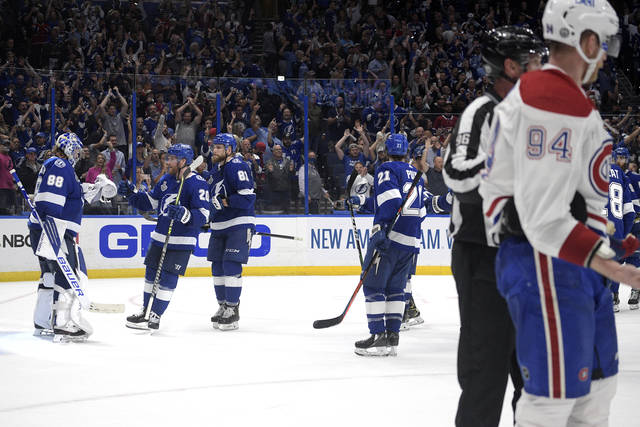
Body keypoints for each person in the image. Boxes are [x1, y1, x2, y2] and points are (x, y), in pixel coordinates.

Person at [479, 1, 640, 424]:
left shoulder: (563, 100)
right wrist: (612, 265)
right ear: (586, 42)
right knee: (552, 404)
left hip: (570, 262)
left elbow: (569, 199)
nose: (605, 55)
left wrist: (606, 240)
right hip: (545, 264)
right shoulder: (551, 102)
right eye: (602, 44)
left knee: (598, 390)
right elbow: (542, 217)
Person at [442, 25, 544, 427]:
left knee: (533, 372)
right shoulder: (481, 112)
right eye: (534, 61)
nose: (542, 67)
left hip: (527, 256)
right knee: (486, 369)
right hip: (484, 258)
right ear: (511, 66)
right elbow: (456, 173)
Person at [120, 144, 210, 331]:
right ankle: (145, 311)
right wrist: (132, 194)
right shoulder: (167, 179)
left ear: (183, 161)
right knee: (150, 275)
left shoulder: (197, 183)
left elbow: (204, 215)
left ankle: (156, 315)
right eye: (167, 158)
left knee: (168, 278)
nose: (167, 162)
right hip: (160, 237)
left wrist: (185, 214)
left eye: (171, 159)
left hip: (182, 242)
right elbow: (150, 202)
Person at [354, 133, 425, 357]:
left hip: (390, 238)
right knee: (396, 289)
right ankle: (392, 338)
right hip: (410, 241)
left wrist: (382, 230)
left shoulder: (386, 168)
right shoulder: (416, 174)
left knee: (373, 286)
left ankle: (378, 337)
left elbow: (391, 201)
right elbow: (422, 210)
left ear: (385, 151)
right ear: (406, 152)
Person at [27, 133, 91, 341]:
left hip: (50, 228)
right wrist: (53, 233)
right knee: (66, 275)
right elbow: (50, 200)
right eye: (77, 149)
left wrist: (86, 190)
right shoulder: (61, 166)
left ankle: (43, 321)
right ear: (70, 148)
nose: (79, 154)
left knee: (49, 276)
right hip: (55, 229)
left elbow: (65, 196)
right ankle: (62, 323)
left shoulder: (58, 166)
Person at [207, 133, 256, 331]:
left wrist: (225, 201)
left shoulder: (237, 165)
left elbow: (247, 197)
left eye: (219, 147)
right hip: (219, 224)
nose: (214, 150)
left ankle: (233, 308)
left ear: (229, 149)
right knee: (217, 267)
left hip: (238, 222)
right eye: (214, 147)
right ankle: (222, 306)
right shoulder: (215, 170)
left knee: (230, 264)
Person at [606, 147, 637, 312]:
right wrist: (623, 233)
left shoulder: (587, 170)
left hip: (595, 227)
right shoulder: (620, 174)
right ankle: (612, 297)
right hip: (616, 230)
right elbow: (630, 212)